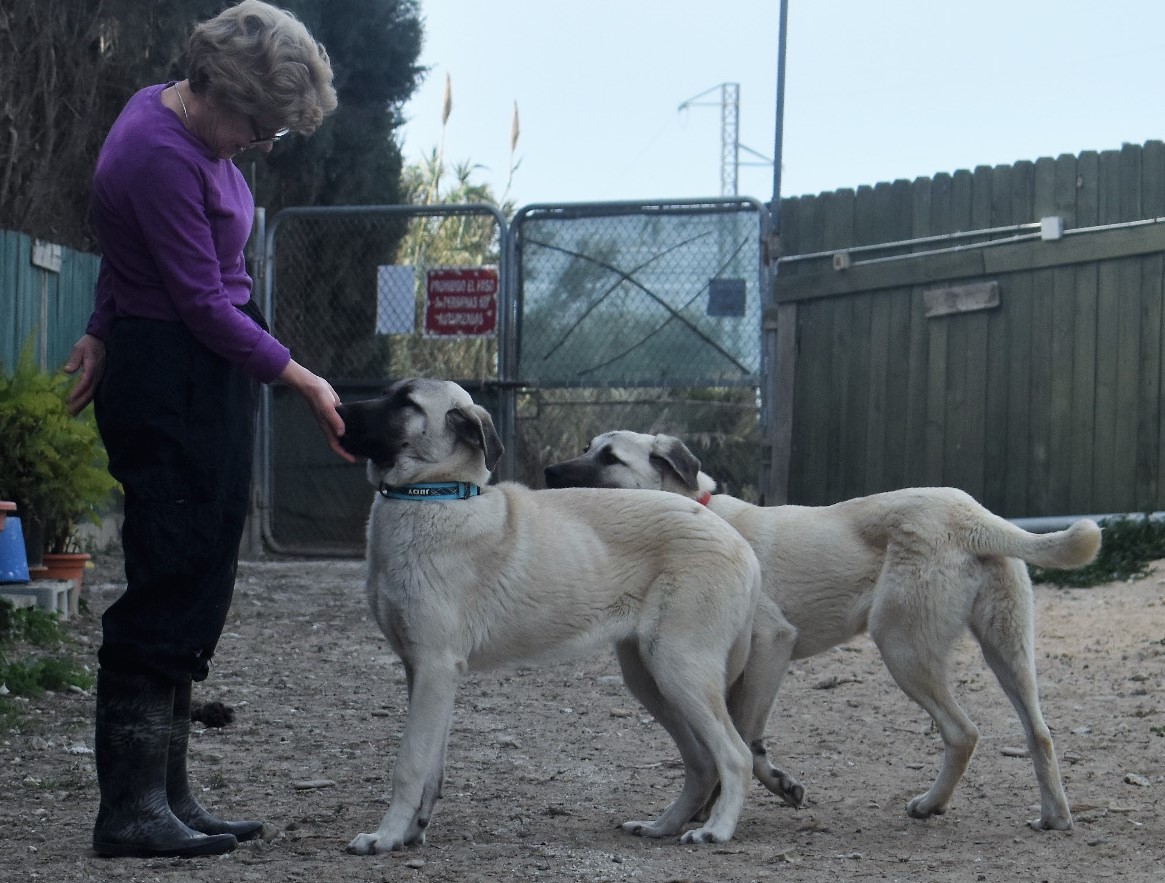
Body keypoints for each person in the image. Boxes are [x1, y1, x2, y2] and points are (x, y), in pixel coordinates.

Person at [63, 0, 353, 859]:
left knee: (200, 567)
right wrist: (298, 375)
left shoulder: (181, 120)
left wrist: (98, 322)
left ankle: (167, 791)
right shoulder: (157, 151)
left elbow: (130, 257)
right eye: (260, 125)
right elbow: (194, 299)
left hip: (195, 358)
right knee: (171, 571)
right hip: (174, 371)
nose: (263, 144)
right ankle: (128, 808)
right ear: (220, 91)